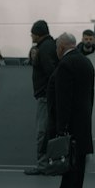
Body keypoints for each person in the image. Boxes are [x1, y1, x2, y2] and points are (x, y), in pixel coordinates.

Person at [43, 31, 95, 188]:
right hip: (83, 118)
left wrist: (60, 126)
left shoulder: (65, 64)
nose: (56, 50)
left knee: (67, 159)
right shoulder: (86, 62)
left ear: (62, 46)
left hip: (70, 120)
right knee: (78, 159)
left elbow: (63, 98)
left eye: (57, 46)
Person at [24, 20, 59, 174]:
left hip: (45, 96)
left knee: (42, 131)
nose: (31, 35)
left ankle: (43, 165)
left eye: (32, 33)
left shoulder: (44, 49)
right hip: (50, 95)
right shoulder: (50, 46)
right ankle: (51, 164)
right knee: (49, 130)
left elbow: (50, 71)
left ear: (38, 33)